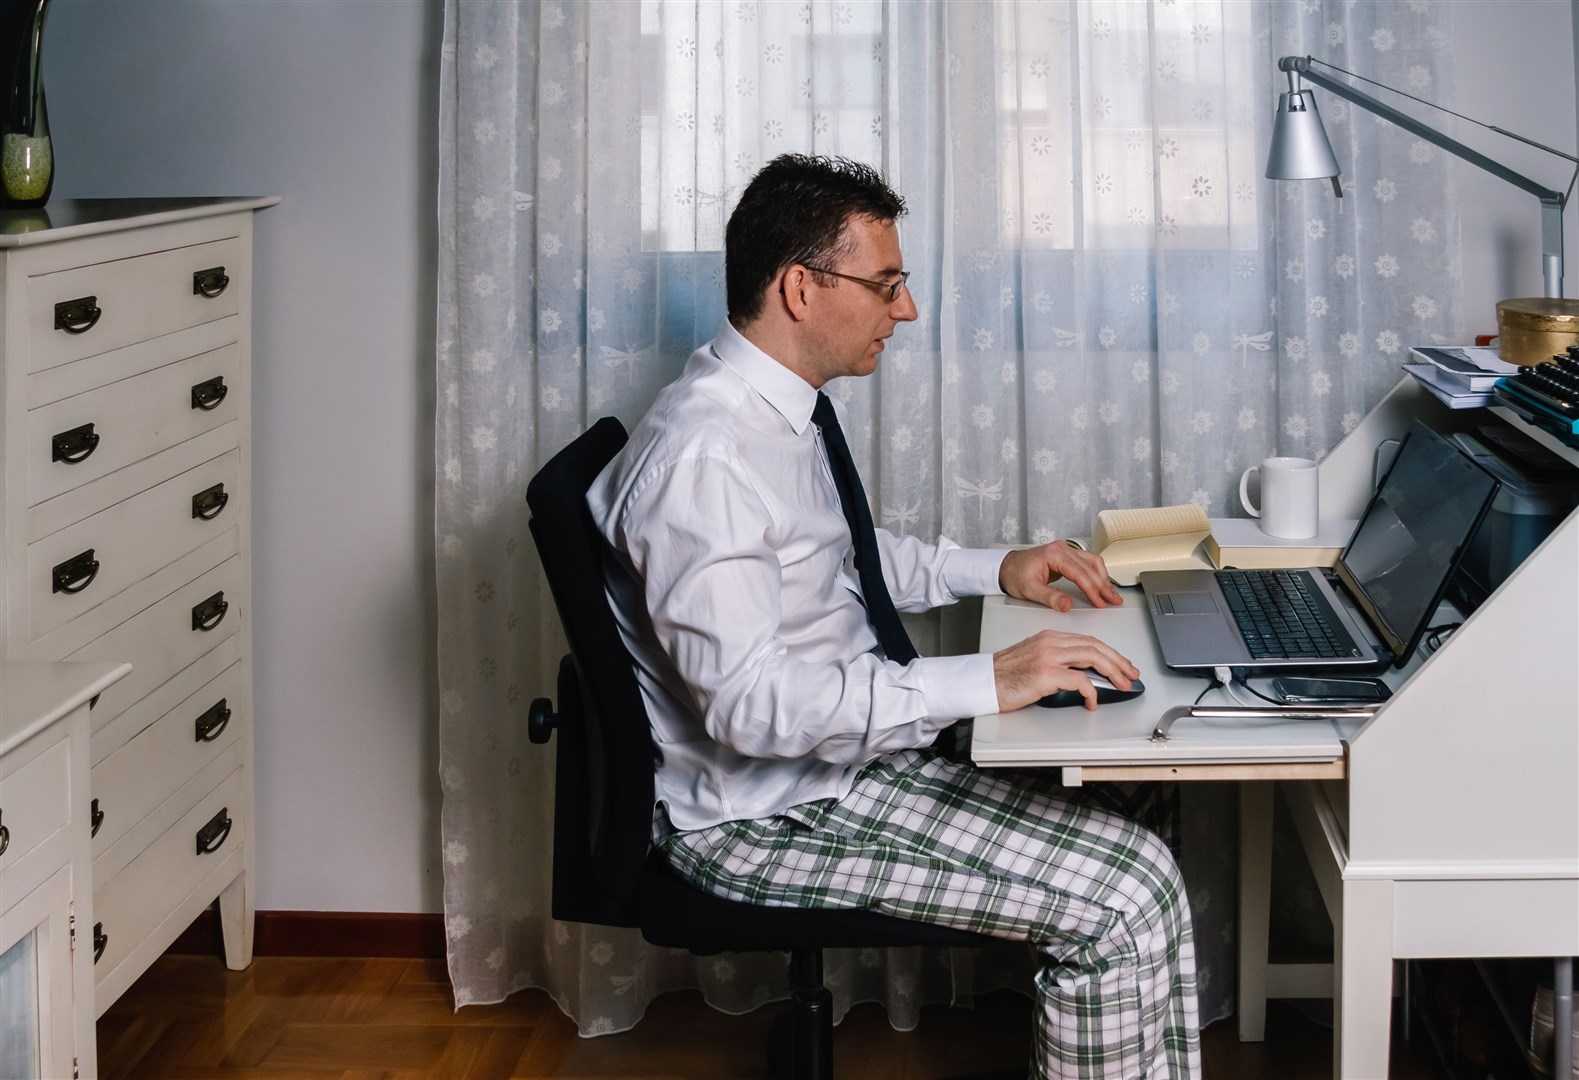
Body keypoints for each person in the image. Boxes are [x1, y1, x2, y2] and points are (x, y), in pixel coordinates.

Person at [587, 153, 1200, 1079]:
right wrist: (987, 680)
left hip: (834, 764)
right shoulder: (703, 461)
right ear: (801, 286)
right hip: (768, 813)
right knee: (1124, 893)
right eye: (886, 285)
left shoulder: (773, 413)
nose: (904, 310)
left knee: (1146, 801)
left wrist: (1000, 566)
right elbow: (749, 708)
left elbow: (845, 561)